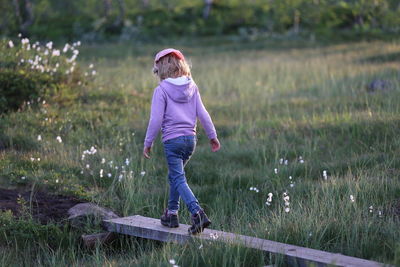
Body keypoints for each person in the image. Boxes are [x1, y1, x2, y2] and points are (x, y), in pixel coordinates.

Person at [143, 48, 220, 234]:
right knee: (175, 177)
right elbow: (203, 113)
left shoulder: (161, 90)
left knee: (178, 178)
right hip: (190, 140)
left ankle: (197, 213)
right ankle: (171, 214)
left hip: (172, 141)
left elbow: (156, 119)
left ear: (159, 68)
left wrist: (148, 142)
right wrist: (212, 135)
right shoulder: (192, 86)